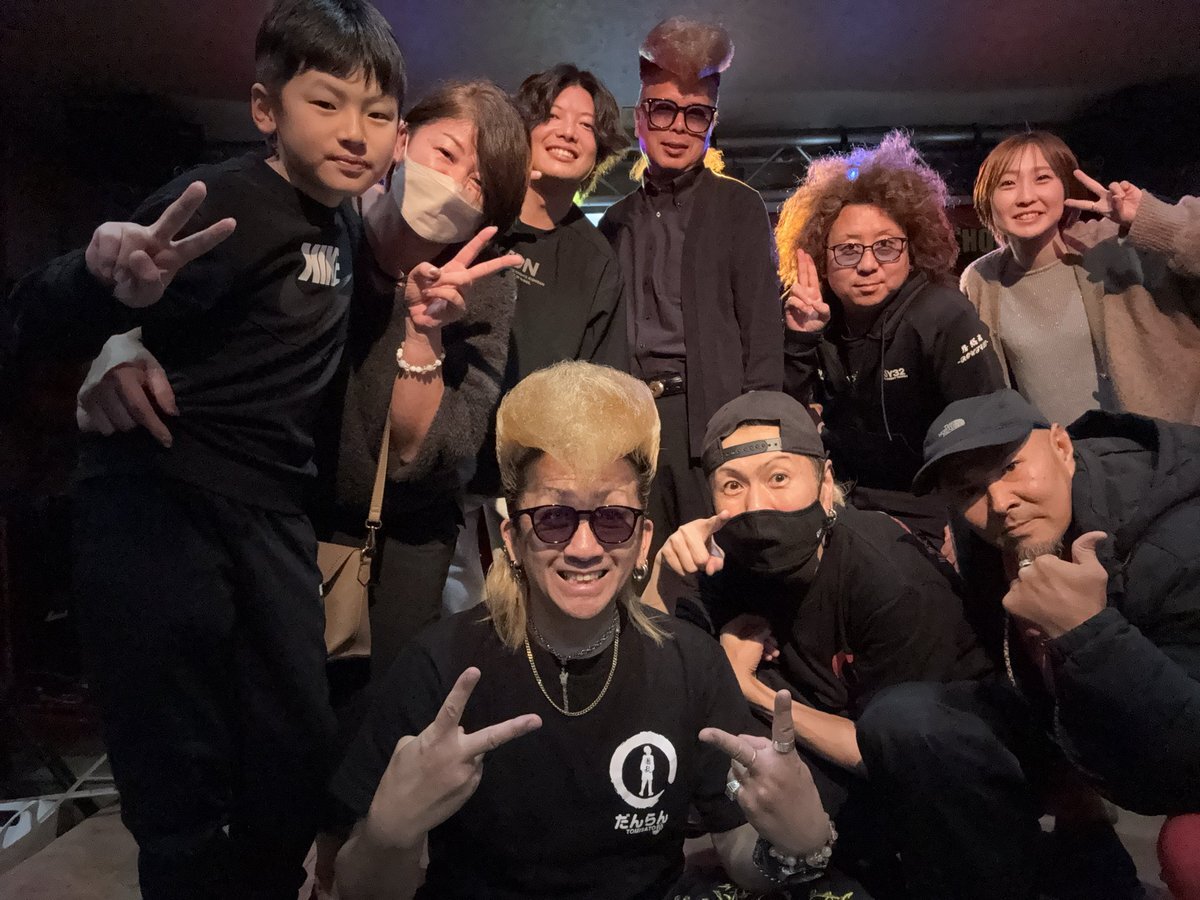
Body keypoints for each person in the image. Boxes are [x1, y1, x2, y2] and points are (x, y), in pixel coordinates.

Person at [1, 2, 412, 895]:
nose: (356, 132)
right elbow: (35, 316)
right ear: (265, 109)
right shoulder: (218, 200)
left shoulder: (343, 224)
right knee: (177, 778)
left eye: (378, 113)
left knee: (295, 755)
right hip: (162, 500)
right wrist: (102, 291)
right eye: (327, 103)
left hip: (272, 517)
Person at [331, 361, 840, 900]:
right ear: (512, 538)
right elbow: (360, 888)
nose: (583, 548)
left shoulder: (691, 663)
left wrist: (798, 843)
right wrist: (390, 832)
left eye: (612, 518)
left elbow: (740, 853)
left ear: (643, 540)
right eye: (554, 517)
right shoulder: (440, 662)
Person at [856, 388, 1200, 900]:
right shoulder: (988, 527)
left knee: (1189, 852)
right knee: (905, 721)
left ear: (1061, 447)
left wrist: (1087, 630)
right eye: (969, 489)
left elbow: (1191, 756)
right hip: (1071, 725)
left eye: (1011, 467)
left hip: (1164, 742)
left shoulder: (1178, 534)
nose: (999, 503)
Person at [655, 389, 989, 894]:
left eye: (779, 477)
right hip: (821, 745)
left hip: (943, 772)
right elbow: (652, 677)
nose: (756, 505)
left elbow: (896, 748)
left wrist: (747, 686)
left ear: (826, 482)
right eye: (733, 485)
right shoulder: (723, 564)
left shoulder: (889, 578)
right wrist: (664, 573)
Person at [599, 17, 783, 570]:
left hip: (715, 420)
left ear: (711, 122)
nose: (678, 127)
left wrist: (757, 433)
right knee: (642, 572)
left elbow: (762, 331)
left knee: (723, 571)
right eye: (663, 109)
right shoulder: (613, 222)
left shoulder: (739, 206)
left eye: (696, 113)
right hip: (633, 427)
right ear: (639, 117)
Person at [777, 131, 1006, 545]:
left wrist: (963, 529)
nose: (868, 265)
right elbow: (781, 426)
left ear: (912, 248)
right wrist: (799, 341)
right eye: (848, 250)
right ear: (822, 258)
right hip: (845, 511)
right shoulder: (814, 319)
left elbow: (986, 439)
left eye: (886, 246)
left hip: (935, 515)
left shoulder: (943, 316)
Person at [963, 130, 1200, 426]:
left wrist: (1152, 220)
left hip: (1162, 448)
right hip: (1061, 452)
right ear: (988, 200)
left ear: (1066, 188)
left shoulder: (1116, 245)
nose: (1026, 197)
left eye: (1042, 178)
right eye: (1007, 183)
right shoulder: (981, 280)